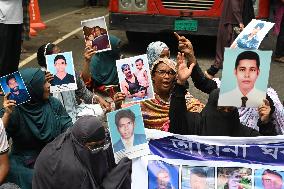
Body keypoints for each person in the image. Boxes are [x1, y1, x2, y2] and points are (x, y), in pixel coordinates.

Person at [169, 52, 276, 136]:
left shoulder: (243, 135)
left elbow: (270, 149)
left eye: (230, 110)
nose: (225, 113)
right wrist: (180, 83)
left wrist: (265, 123)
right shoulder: (195, 124)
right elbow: (177, 120)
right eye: (221, 109)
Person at [0, 68, 73, 189]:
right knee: (35, 178)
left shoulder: (53, 103)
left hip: (54, 155)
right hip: (24, 162)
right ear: (32, 88)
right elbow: (0, 139)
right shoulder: (13, 111)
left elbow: (69, 129)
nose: (49, 85)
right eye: (44, 82)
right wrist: (7, 115)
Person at [114, 41, 204, 131]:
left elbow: (197, 108)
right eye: (162, 72)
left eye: (171, 73)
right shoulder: (144, 95)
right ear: (153, 76)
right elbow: (122, 121)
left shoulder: (178, 88)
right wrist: (118, 104)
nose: (167, 76)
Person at [33, 115, 131, 189]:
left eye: (102, 144)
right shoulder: (74, 170)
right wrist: (120, 171)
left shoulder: (73, 138)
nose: (100, 148)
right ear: (80, 143)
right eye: (94, 146)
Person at [37, 43, 110, 123]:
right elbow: (38, 104)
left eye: (61, 53)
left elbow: (82, 91)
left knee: (103, 110)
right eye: (55, 55)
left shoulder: (69, 70)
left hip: (75, 111)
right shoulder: (39, 78)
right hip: (54, 118)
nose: (60, 57)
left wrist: (98, 98)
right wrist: (45, 85)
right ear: (46, 60)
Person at [205, 0, 245, 79]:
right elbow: (235, 5)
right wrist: (240, 21)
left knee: (225, 46)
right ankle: (214, 71)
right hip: (232, 22)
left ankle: (213, 71)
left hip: (229, 20)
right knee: (231, 48)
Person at [0, 0, 23, 76]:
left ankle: (12, 87)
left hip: (17, 19)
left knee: (15, 57)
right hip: (4, 20)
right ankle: (3, 83)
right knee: (4, 57)